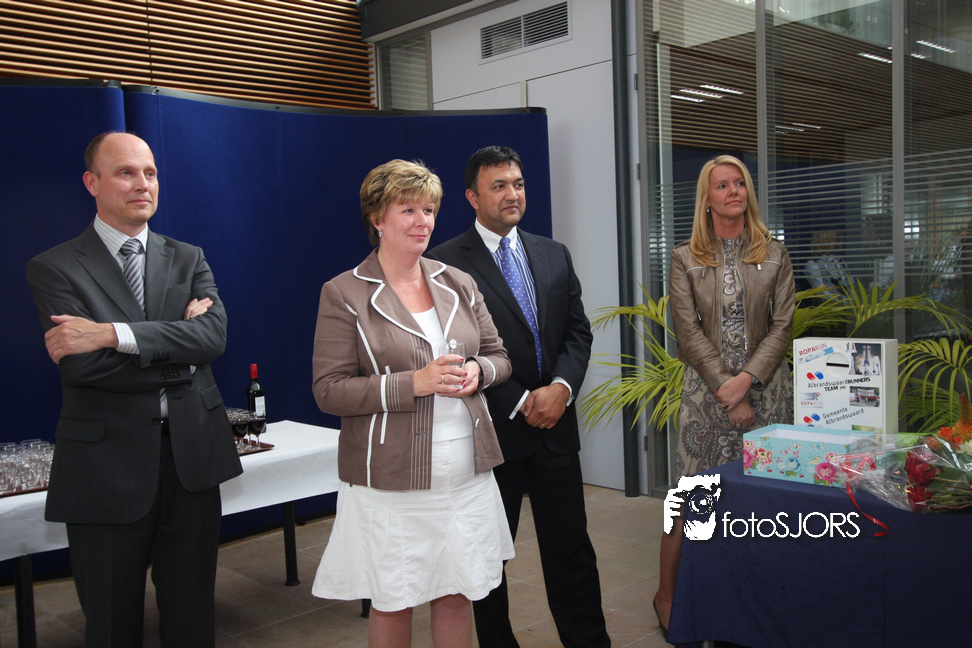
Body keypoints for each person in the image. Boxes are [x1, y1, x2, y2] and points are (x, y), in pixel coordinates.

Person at [25, 132, 243, 647]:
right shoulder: (54, 267)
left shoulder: (188, 257)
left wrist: (110, 334)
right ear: (92, 182)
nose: (142, 184)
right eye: (126, 172)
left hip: (192, 462)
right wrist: (182, 353)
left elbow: (212, 338)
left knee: (192, 618)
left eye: (150, 173)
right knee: (111, 623)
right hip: (105, 469)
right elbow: (85, 368)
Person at [310, 159, 514, 648]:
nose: (423, 221)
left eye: (429, 210)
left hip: (466, 474)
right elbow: (329, 390)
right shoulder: (344, 292)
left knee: (456, 594)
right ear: (377, 218)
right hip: (391, 481)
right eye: (408, 210)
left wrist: (478, 372)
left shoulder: (458, 282)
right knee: (393, 598)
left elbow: (499, 356)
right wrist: (413, 383)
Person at [428, 146, 610, 648]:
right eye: (499, 186)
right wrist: (522, 399)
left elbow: (578, 332)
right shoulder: (443, 263)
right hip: (492, 432)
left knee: (572, 552)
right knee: (488, 560)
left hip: (555, 426)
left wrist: (561, 390)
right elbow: (454, 349)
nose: (513, 194)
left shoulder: (553, 253)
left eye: (519, 184)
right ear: (472, 197)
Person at [654, 154, 794, 637]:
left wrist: (748, 379)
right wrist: (726, 388)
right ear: (707, 199)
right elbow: (687, 331)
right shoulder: (685, 257)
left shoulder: (775, 254)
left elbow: (783, 325)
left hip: (768, 391)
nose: (733, 191)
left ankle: (748, 602)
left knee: (762, 504)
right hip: (705, 393)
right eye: (722, 185)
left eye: (740, 183)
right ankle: (667, 595)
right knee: (690, 498)